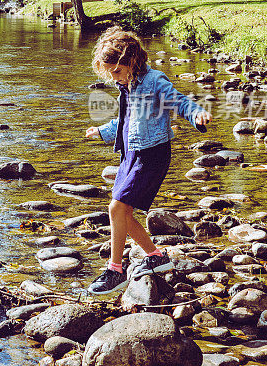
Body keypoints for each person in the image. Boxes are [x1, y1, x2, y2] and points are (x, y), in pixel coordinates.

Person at [84, 26, 212, 295]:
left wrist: (197, 113)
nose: (113, 77)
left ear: (131, 61)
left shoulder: (154, 81)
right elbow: (126, 121)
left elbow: (179, 101)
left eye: (116, 71)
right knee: (123, 213)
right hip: (132, 154)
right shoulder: (127, 85)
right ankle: (155, 257)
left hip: (151, 154)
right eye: (109, 73)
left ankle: (115, 270)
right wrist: (103, 131)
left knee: (116, 209)